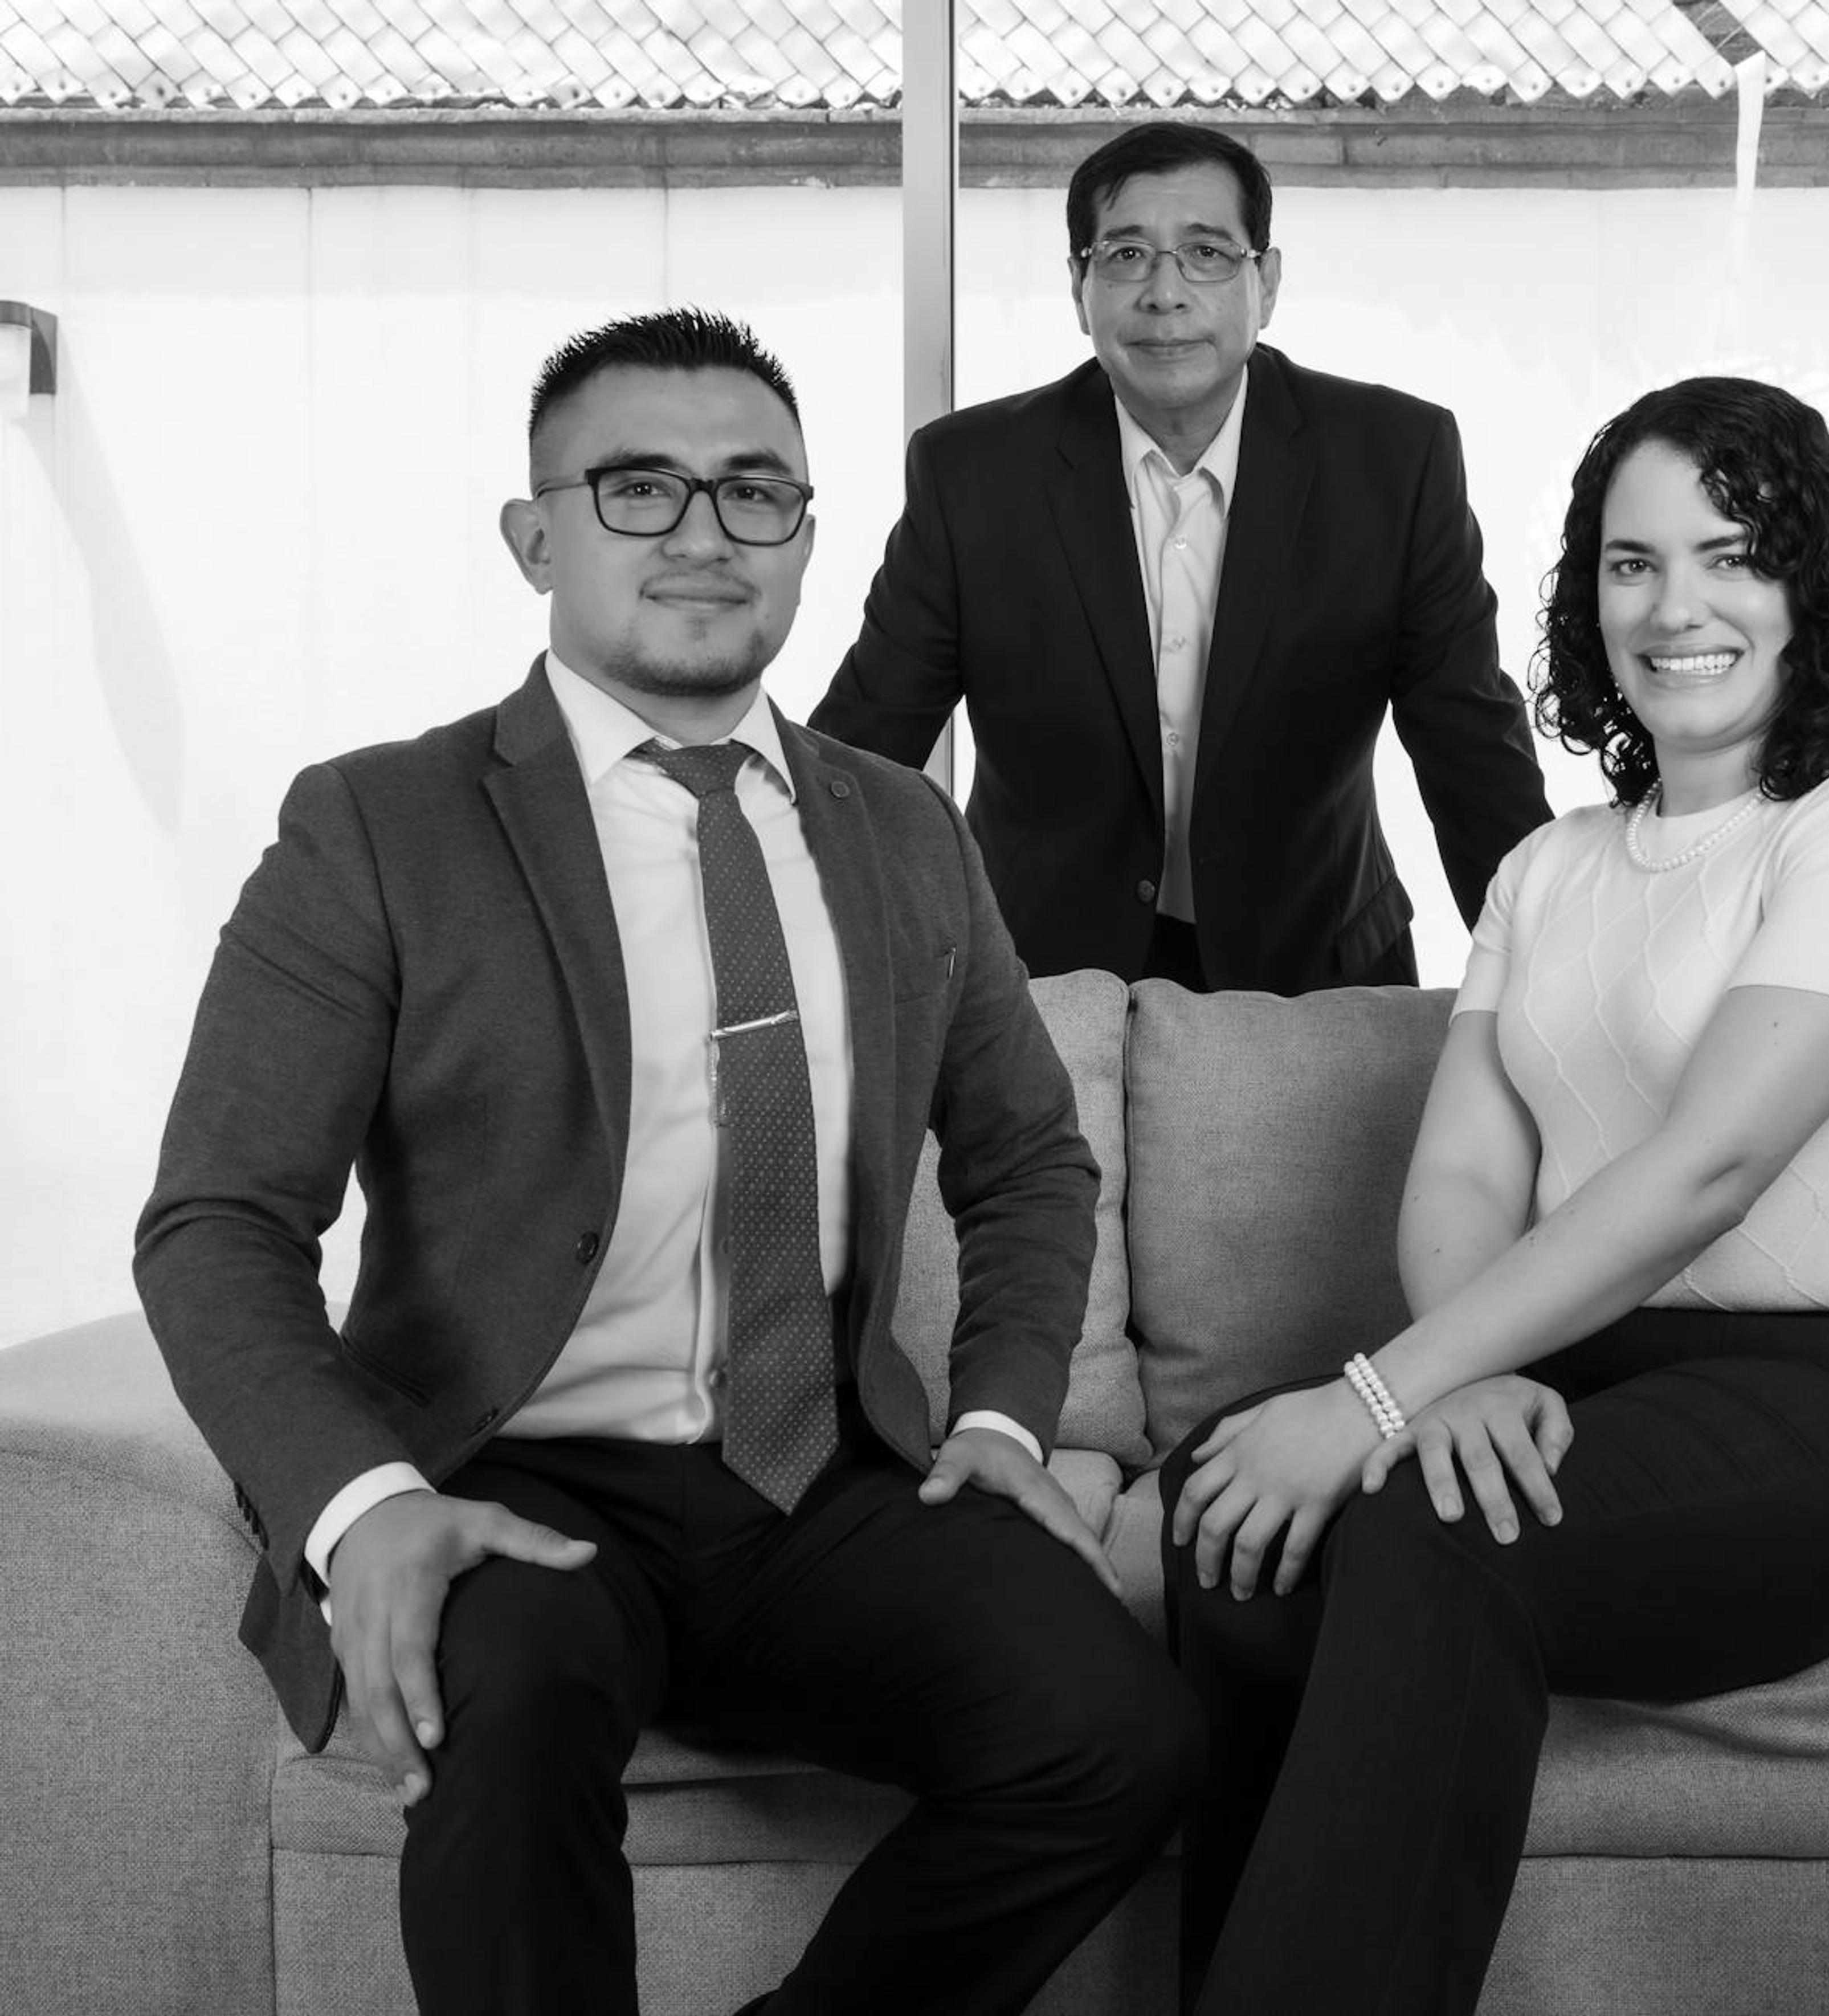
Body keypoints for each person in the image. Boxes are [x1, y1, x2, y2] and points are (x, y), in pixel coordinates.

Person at [134, 308, 1200, 2016]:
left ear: (805, 539)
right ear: (535, 535)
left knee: (1120, 1730)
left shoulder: (906, 825)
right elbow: (216, 1225)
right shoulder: (378, 824)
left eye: (757, 493)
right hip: (519, 1470)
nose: (707, 535)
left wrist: (1002, 1418)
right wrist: (371, 1510)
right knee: (503, 1710)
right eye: (643, 488)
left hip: (826, 1487)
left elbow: (1029, 1164)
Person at [1158, 376, 1829, 2012]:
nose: (1675, 606)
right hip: (1582, 1369)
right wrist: (1462, 1379)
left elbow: (1712, 1169)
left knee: (1426, 1525)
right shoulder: (1551, 868)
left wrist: (1389, 1397)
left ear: (1809, 577)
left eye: (1731, 553)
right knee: (1229, 1508)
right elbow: (1470, 1163)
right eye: (1631, 563)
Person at [810, 120, 1550, 994]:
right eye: (1126, 255)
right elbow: (865, 750)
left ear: (1264, 282)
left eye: (1206, 252)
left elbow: (1472, 752)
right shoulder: (974, 475)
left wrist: (1552, 988)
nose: (1165, 293)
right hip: (1043, 974)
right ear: (1079, 286)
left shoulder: (1393, 460)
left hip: (1316, 960)